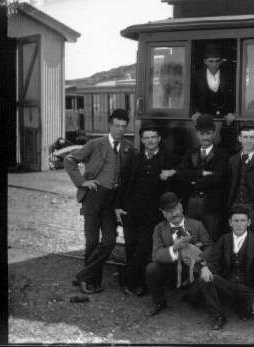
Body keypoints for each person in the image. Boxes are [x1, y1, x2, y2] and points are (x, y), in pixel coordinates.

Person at [64, 109, 134, 294]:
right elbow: (69, 160)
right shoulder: (95, 144)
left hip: (112, 201)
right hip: (93, 197)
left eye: (123, 126)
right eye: (117, 126)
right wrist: (82, 182)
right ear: (110, 125)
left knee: (110, 241)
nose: (120, 129)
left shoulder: (128, 148)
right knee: (92, 241)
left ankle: (83, 276)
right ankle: (91, 282)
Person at [115, 122, 177, 296]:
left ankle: (133, 280)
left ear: (159, 139)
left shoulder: (167, 159)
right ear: (141, 140)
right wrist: (118, 207)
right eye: (146, 138)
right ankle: (133, 283)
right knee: (130, 247)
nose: (150, 141)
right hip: (131, 211)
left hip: (153, 214)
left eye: (153, 138)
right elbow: (124, 183)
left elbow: (171, 187)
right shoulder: (135, 158)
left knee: (145, 248)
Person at [200, 205, 254, 330]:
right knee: (205, 278)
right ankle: (218, 316)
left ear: (248, 222)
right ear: (230, 222)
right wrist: (206, 267)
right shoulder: (224, 239)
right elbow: (214, 261)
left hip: (247, 288)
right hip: (227, 285)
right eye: (236, 221)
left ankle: (239, 306)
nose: (239, 224)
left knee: (252, 311)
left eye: (242, 221)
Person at [145, 192, 212, 316]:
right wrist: (175, 248)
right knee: (151, 269)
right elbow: (156, 254)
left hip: (193, 267)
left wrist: (200, 260)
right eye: (169, 211)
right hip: (171, 267)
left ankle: (190, 294)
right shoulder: (159, 228)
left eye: (176, 209)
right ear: (163, 213)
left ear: (181, 206)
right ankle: (159, 302)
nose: (174, 213)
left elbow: (209, 247)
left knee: (194, 298)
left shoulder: (197, 225)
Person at [176, 114, 229, 242]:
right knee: (191, 240)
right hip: (192, 205)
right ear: (197, 134)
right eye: (202, 133)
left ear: (214, 133)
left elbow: (218, 178)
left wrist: (193, 181)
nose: (205, 137)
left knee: (211, 240)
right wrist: (201, 173)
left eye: (208, 133)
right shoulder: (191, 153)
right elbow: (180, 174)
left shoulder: (222, 154)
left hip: (212, 206)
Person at [227, 122, 254, 237]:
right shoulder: (233, 160)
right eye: (245, 137)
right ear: (239, 138)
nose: (248, 140)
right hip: (235, 207)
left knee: (253, 241)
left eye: (252, 137)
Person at [192, 43, 236, 124]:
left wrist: (233, 112)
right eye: (211, 61)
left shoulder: (230, 75)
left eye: (217, 61)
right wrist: (196, 111)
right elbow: (193, 96)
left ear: (221, 61)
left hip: (225, 119)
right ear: (205, 61)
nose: (214, 64)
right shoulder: (197, 76)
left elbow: (235, 96)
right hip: (203, 118)